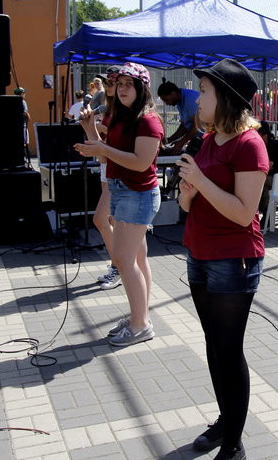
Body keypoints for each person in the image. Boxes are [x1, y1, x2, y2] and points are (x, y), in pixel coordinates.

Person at [175, 58, 268, 460]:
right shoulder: (209, 141)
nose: (198, 97)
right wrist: (189, 189)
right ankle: (226, 420)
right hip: (199, 252)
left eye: (205, 90)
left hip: (233, 259)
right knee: (215, 346)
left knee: (229, 349)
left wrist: (199, 181)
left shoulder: (250, 145)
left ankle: (233, 442)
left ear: (226, 98)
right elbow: (184, 203)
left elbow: (244, 212)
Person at [75, 62, 164, 347]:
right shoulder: (118, 117)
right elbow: (104, 158)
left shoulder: (148, 121)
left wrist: (101, 147)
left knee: (125, 261)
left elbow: (140, 163)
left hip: (137, 195)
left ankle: (140, 325)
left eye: (129, 84)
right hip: (122, 191)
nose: (123, 88)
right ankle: (140, 316)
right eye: (120, 83)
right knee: (136, 260)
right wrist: (91, 131)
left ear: (141, 88)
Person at [91, 68, 121, 289]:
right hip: (107, 167)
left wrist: (101, 129)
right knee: (108, 220)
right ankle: (116, 265)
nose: (111, 86)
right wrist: (90, 127)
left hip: (120, 170)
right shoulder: (104, 108)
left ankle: (119, 266)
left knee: (102, 219)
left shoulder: (125, 111)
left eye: (115, 82)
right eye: (108, 82)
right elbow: (101, 152)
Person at [158, 80, 200, 154]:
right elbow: (184, 126)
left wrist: (181, 142)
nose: (167, 104)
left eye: (167, 100)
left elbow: (197, 127)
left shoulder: (190, 100)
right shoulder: (180, 102)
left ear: (173, 93)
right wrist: (169, 140)